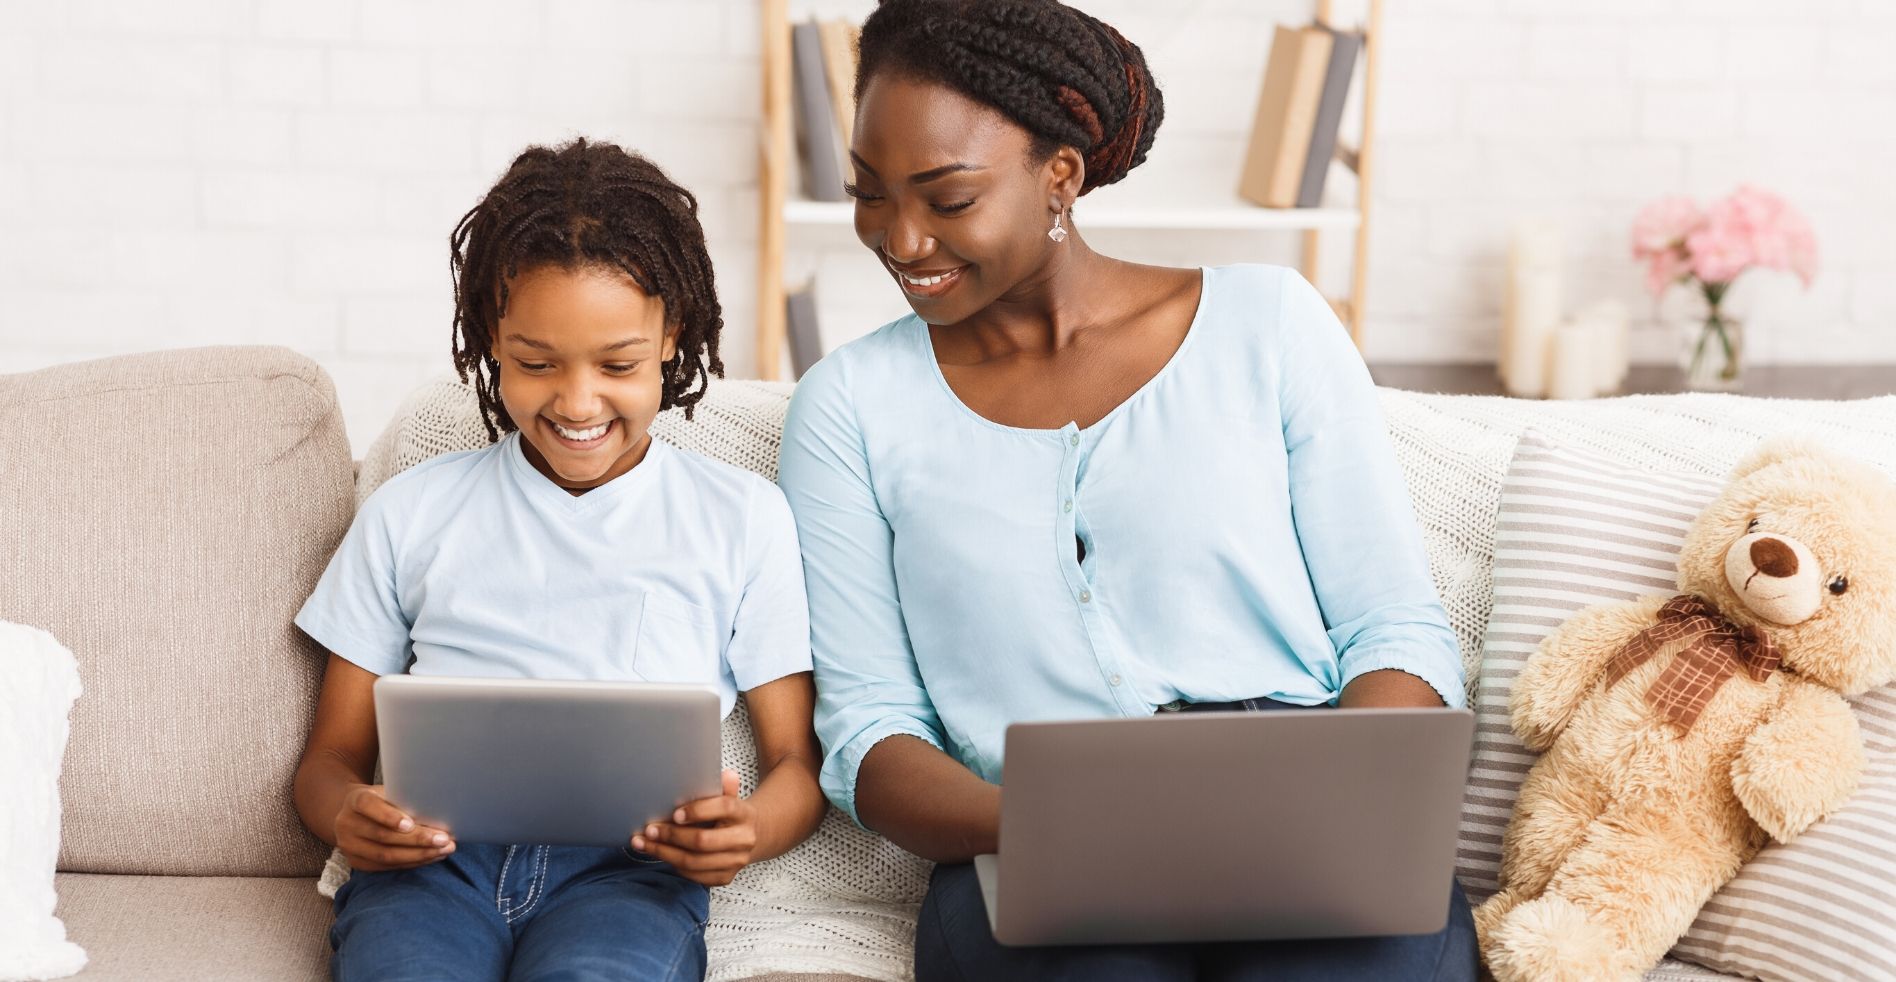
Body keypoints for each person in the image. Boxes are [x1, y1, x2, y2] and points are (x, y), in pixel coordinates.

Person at [775, 2, 1477, 979]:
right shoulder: (848, 406)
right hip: (1026, 833)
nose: (900, 237)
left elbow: (1396, 630)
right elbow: (871, 733)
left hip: (1292, 807)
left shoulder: (1268, 323)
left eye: (946, 197)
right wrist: (1064, 819)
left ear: (1058, 174)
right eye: (870, 193)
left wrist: (1334, 804)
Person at [292, 138, 827, 982]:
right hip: (431, 870)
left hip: (632, 876)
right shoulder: (411, 510)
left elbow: (797, 764)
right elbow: (328, 764)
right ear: (491, 342)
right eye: (536, 364)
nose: (577, 402)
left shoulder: (743, 518)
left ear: (670, 338)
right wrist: (349, 815)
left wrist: (749, 828)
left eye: (617, 365)